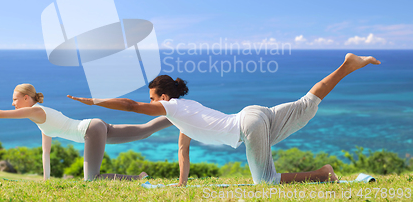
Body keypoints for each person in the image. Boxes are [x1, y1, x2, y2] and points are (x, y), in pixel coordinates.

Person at [68, 53, 381, 186]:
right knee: (307, 102)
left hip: (248, 126)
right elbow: (183, 151)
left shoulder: (171, 107)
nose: (150, 103)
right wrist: (180, 184)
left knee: (267, 183)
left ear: (163, 97)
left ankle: (324, 174)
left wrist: (95, 100)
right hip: (254, 114)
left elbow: (133, 107)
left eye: (152, 98)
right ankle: (347, 66)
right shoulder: (185, 110)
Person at [0, 83, 172, 181]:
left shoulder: (35, 111)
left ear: (27, 98)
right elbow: (46, 154)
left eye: (15, 100)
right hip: (95, 126)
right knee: (144, 131)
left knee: (91, 180)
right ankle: (178, 116)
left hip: (90, 131)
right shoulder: (40, 118)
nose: (12, 103)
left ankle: (138, 179)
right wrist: (46, 180)